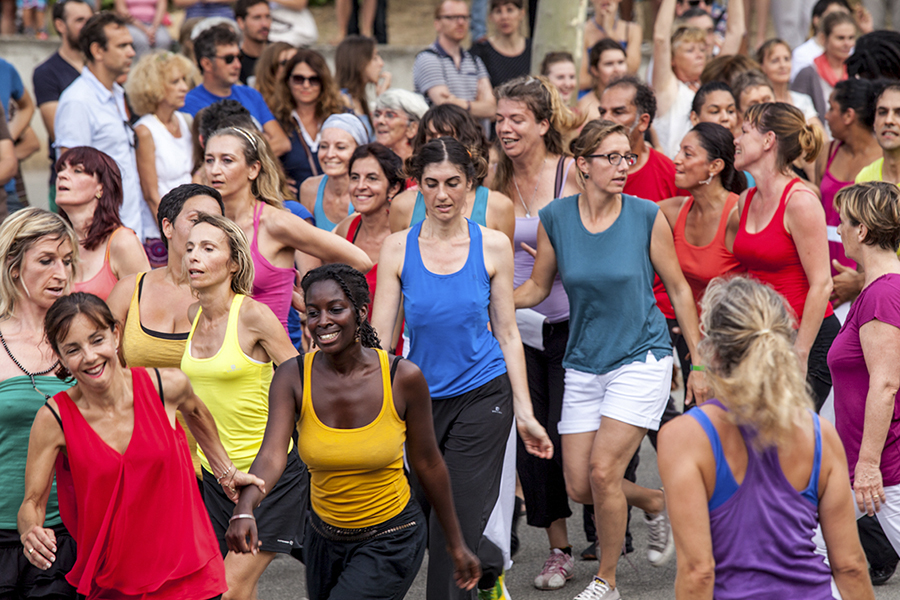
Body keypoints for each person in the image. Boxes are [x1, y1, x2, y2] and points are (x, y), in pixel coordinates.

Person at [514, 119, 707, 600]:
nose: (625, 166)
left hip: (641, 356)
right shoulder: (555, 218)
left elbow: (679, 288)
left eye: (629, 157)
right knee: (580, 485)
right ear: (583, 164)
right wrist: (494, 297)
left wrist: (699, 362)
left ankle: (607, 580)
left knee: (605, 474)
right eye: (613, 157)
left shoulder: (644, 215)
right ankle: (658, 502)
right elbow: (539, 286)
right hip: (582, 361)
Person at [226, 264, 482, 599]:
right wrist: (245, 507)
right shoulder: (292, 376)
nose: (323, 322)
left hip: (391, 536)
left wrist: (455, 544)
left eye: (335, 309)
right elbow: (272, 455)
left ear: (360, 312)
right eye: (313, 312)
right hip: (323, 539)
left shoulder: (401, 378)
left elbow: (428, 464)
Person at [372, 137, 553, 600]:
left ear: (471, 184)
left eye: (453, 183)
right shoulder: (397, 248)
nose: (443, 195)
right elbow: (379, 341)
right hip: (419, 402)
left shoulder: (492, 246)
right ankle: (488, 561)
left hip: (483, 396)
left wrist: (525, 412)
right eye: (431, 184)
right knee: (429, 516)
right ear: (419, 187)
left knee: (452, 532)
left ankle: (470, 562)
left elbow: (508, 333)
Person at [19, 292, 264, 599]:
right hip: (113, 581)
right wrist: (30, 530)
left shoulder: (166, 386)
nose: (90, 356)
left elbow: (197, 413)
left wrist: (225, 470)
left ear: (116, 334)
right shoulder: (54, 418)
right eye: (73, 349)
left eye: (97, 340)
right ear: (60, 356)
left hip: (186, 571)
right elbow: (32, 502)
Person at [658, 276, 875, 600]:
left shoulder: (683, 437)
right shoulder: (819, 434)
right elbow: (851, 566)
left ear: (712, 350)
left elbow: (698, 572)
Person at [180, 212, 302, 600]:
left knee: (228, 589)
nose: (193, 257)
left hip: (267, 475)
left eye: (207, 248)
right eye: (190, 248)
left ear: (233, 263)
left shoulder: (252, 315)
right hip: (217, 477)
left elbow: (303, 379)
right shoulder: (192, 315)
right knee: (228, 590)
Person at [492, 75, 582, 591]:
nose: (505, 128)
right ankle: (558, 548)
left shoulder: (570, 173)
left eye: (516, 119)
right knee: (534, 443)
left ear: (544, 124)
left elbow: (600, 240)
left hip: (571, 324)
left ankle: (646, 502)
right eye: (500, 119)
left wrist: (558, 258)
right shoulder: (494, 180)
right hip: (515, 327)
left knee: (574, 445)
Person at [106, 183, 224, 472]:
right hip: (141, 457)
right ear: (167, 227)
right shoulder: (128, 291)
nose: (205, 230)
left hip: (216, 463)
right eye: (197, 219)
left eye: (216, 222)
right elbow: (102, 370)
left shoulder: (232, 299)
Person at [205, 125, 371, 329]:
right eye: (209, 160)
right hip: (216, 354)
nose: (214, 170)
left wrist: (315, 299)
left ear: (253, 169)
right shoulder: (206, 225)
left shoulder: (276, 222)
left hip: (271, 357)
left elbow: (360, 260)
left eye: (227, 161)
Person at [732, 102, 837, 411]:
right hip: (764, 334)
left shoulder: (801, 202)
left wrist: (800, 354)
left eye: (744, 131)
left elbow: (822, 284)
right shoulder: (745, 200)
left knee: (787, 446)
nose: (735, 139)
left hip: (806, 338)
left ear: (768, 141)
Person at [0, 209, 78, 600]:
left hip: (69, 535)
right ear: (14, 267)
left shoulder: (85, 338)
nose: (61, 273)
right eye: (46, 261)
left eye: (66, 261)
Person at [830, 181, 900, 561]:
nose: (838, 229)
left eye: (843, 222)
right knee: (812, 553)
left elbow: (886, 384)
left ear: (862, 230)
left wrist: (869, 465)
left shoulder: (882, 295)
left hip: (885, 470)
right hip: (859, 465)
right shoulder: (876, 290)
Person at [55, 12, 156, 242]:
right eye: (122, 46)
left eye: (131, 45)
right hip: (101, 237)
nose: (131, 52)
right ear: (98, 51)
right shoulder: (77, 100)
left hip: (130, 228)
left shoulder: (117, 93)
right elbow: (71, 178)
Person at [388, 104, 515, 242]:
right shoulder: (402, 205)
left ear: (466, 138)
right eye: (432, 136)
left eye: (446, 135)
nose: (440, 142)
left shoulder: (498, 206)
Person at [657, 122, 745, 318]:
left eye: (687, 154)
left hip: (733, 334)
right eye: (678, 151)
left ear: (715, 166)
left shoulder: (738, 216)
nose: (676, 159)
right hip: (690, 335)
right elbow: (626, 212)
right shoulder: (674, 210)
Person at [55, 147, 150, 301]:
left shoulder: (122, 242)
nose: (61, 175)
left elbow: (147, 305)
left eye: (77, 170)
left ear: (101, 187)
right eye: (61, 169)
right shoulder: (56, 242)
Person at [652, 0, 744, 158]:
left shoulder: (711, 83)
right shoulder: (667, 88)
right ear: (672, 58)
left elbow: (736, 32)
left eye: (702, 49)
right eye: (690, 50)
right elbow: (661, 38)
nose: (700, 54)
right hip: (674, 174)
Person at [183, 23, 290, 157]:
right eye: (229, 59)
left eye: (239, 57)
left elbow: (282, 142)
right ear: (207, 64)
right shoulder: (189, 103)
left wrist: (237, 158)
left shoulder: (251, 94)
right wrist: (261, 144)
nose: (237, 65)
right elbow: (204, 155)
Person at [815, 79, 880, 279]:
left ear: (848, 115)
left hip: (865, 272)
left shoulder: (885, 159)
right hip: (821, 265)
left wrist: (859, 281)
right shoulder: (827, 152)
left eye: (831, 108)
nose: (826, 116)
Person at [32, 0, 92, 211]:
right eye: (79, 20)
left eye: (89, 19)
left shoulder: (100, 66)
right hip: (70, 179)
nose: (87, 25)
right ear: (60, 26)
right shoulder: (47, 72)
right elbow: (60, 131)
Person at [333, 143, 403, 316]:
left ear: (393, 188)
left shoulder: (404, 234)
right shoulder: (346, 229)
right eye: (355, 177)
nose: (360, 186)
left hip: (399, 342)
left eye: (372, 178)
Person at [127, 51, 196, 220]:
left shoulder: (184, 120)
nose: (184, 87)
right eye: (175, 82)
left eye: (183, 80)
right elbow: (151, 195)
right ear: (154, 87)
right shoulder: (145, 130)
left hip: (189, 219)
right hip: (162, 227)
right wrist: (171, 232)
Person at [413, 0, 497, 133]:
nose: (460, 22)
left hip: (478, 146)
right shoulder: (428, 58)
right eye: (452, 17)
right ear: (437, 23)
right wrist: (478, 106)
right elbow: (446, 109)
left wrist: (462, 104)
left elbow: (492, 109)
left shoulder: (474, 61)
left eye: (464, 17)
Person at [274, 50, 345, 196]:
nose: (306, 85)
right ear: (288, 81)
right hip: (295, 207)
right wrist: (276, 181)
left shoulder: (341, 118)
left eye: (313, 79)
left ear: (323, 82)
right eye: (299, 79)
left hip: (339, 202)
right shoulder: (275, 121)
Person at [298, 114, 367, 232]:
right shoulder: (309, 188)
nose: (329, 154)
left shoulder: (366, 192)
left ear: (359, 151)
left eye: (340, 147)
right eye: (324, 146)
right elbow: (306, 243)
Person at [792, 11, 856, 126]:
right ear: (823, 38)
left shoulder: (858, 71)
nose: (847, 43)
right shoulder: (807, 74)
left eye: (851, 38)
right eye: (840, 38)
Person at [335, 35, 390, 140]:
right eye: (375, 58)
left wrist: (382, 100)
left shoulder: (358, 99)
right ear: (359, 62)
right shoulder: (342, 101)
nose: (381, 63)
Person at [579, 0, 642, 91]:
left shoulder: (632, 29)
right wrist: (605, 81)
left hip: (623, 89)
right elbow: (582, 80)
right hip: (592, 93)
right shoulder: (582, 32)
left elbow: (631, 70)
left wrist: (609, 31)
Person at [469, 0, 532, 89]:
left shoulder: (533, 50)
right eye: (498, 11)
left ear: (522, 13)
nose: (504, 17)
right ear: (491, 17)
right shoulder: (480, 52)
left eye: (510, 10)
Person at [757, 39, 820, 128]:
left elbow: (821, 136)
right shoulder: (759, 101)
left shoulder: (802, 100)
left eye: (786, 59)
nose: (783, 65)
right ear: (762, 66)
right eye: (775, 60)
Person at [792, 0, 853, 81]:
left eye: (851, 38)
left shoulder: (853, 51)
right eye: (833, 17)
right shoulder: (802, 55)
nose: (847, 43)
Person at [373, 89, 429, 164]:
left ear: (412, 128)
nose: (380, 120)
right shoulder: (371, 161)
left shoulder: (425, 165)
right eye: (377, 114)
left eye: (390, 115)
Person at [577, 39, 629, 120]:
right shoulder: (585, 108)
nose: (617, 69)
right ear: (594, 70)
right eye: (609, 64)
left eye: (620, 62)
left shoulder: (635, 99)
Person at [252, 41, 296, 115]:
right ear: (270, 68)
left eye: (295, 62)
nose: (292, 67)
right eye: (285, 63)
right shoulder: (256, 102)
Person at [235, 0, 271, 85]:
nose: (264, 24)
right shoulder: (235, 63)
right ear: (240, 22)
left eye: (267, 17)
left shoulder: (280, 55)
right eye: (257, 18)